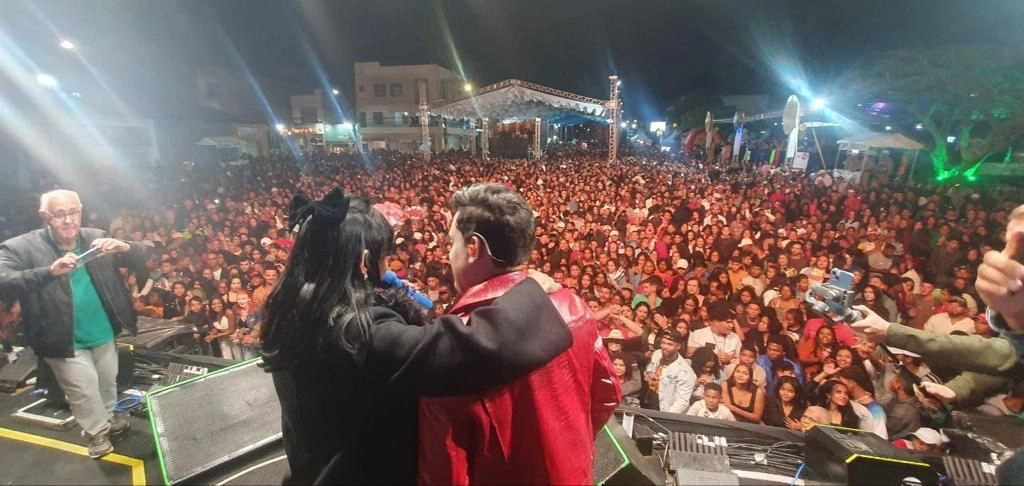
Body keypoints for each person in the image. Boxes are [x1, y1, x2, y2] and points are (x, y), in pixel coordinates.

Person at [260, 188, 575, 485]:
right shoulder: (355, 332)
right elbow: (462, 350)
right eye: (384, 257)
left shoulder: (295, 307)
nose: (389, 268)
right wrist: (529, 295)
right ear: (363, 261)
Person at [417, 184, 620, 485]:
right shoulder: (572, 306)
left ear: (473, 247)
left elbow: (445, 469)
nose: (449, 254)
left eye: (451, 243)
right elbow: (607, 394)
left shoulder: (455, 342)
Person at [0, 190, 148, 458]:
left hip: (102, 328)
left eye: (74, 212)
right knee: (83, 388)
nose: (69, 220)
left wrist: (124, 246)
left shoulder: (94, 236)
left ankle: (107, 418)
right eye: (60, 214)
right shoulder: (22, 246)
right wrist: (47, 272)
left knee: (106, 381)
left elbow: (144, 255)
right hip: (62, 336)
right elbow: (4, 276)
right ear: (45, 217)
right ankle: (96, 434)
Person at [643, 328, 696, 415]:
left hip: (668, 410)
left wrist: (667, 416)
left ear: (678, 347)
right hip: (651, 402)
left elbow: (682, 401)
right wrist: (649, 375)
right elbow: (648, 370)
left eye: (670, 344)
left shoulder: (685, 371)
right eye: (663, 343)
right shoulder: (657, 354)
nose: (665, 347)